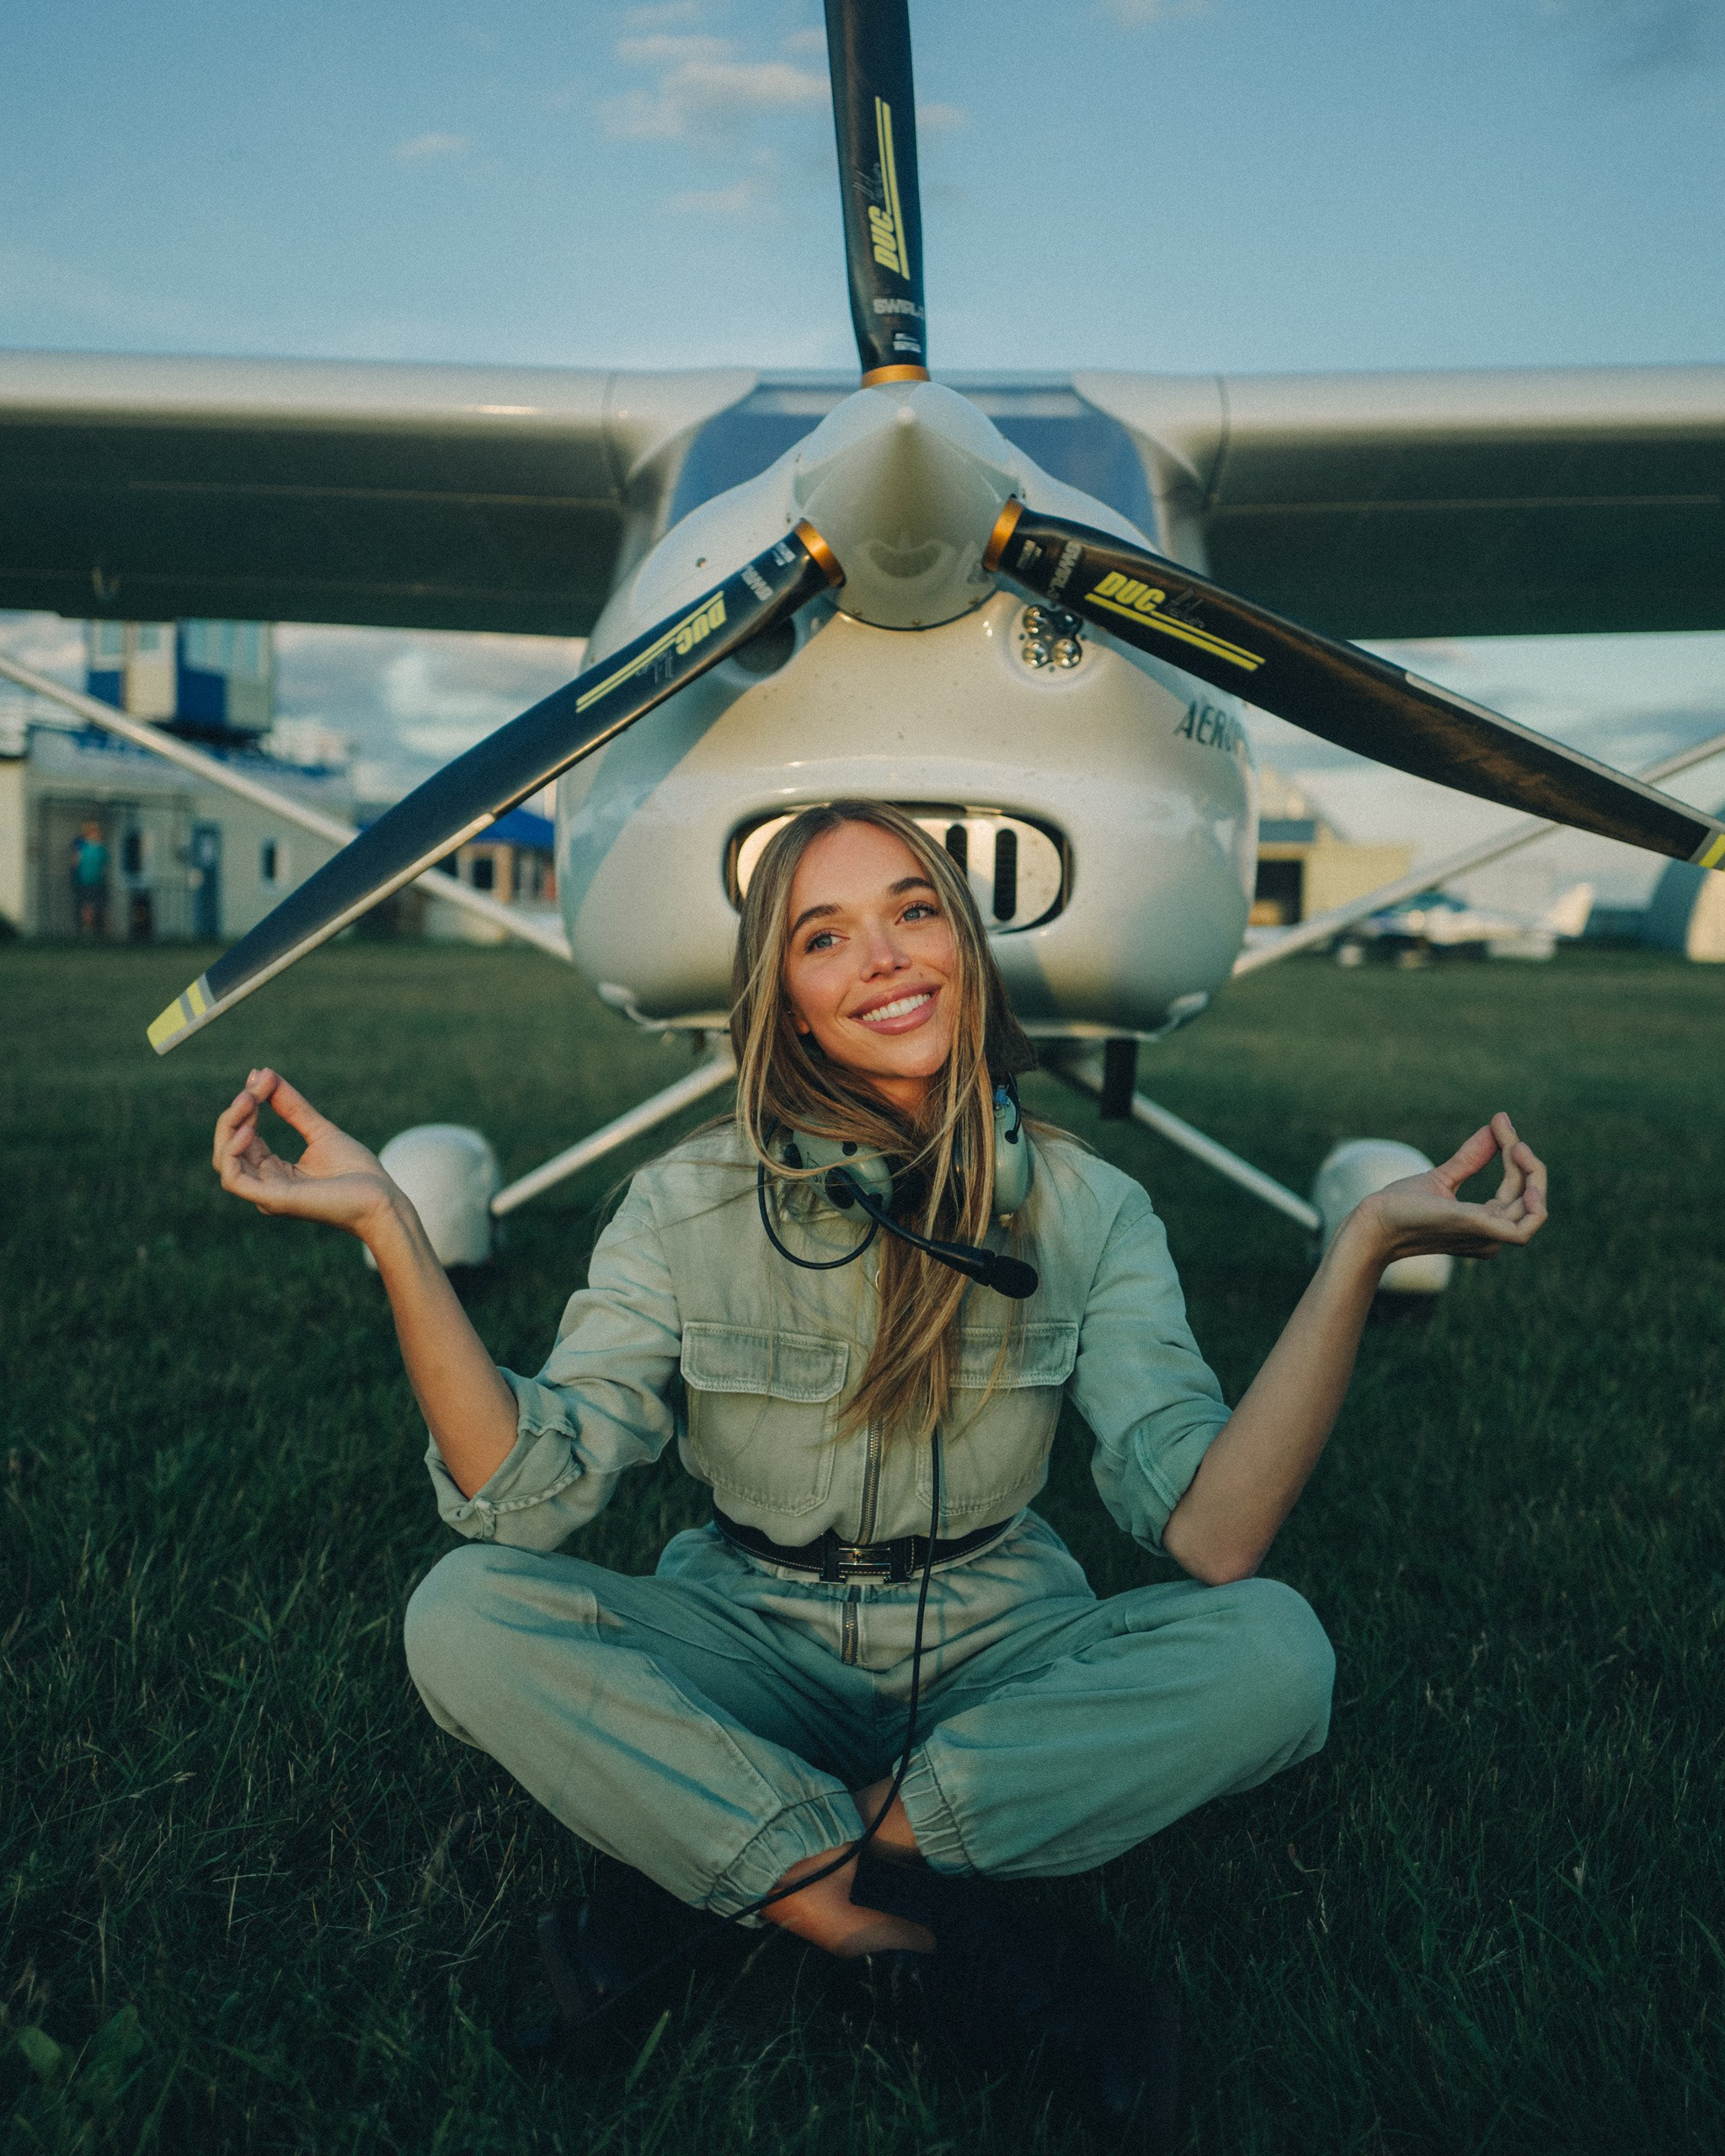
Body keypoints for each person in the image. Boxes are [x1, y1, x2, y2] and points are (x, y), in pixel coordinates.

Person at [211, 799, 1546, 2131]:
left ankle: (740, 1874)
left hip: (996, 1638)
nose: (886, 958)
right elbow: (528, 1497)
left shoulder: (1095, 1208)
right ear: (785, 1004)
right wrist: (393, 1230)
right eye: (825, 937)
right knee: (461, 1611)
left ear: (964, 941)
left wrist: (1358, 1255)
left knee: (1280, 1652)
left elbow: (1213, 1538)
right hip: (749, 1630)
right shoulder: (684, 1200)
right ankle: (883, 1929)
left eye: (913, 912)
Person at [71, 820, 109, 938]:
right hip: (84, 881)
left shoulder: (101, 848)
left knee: (98, 906)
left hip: (98, 882)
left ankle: (98, 930)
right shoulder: (81, 847)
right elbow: (75, 863)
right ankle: (85, 929)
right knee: (85, 905)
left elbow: (104, 865)